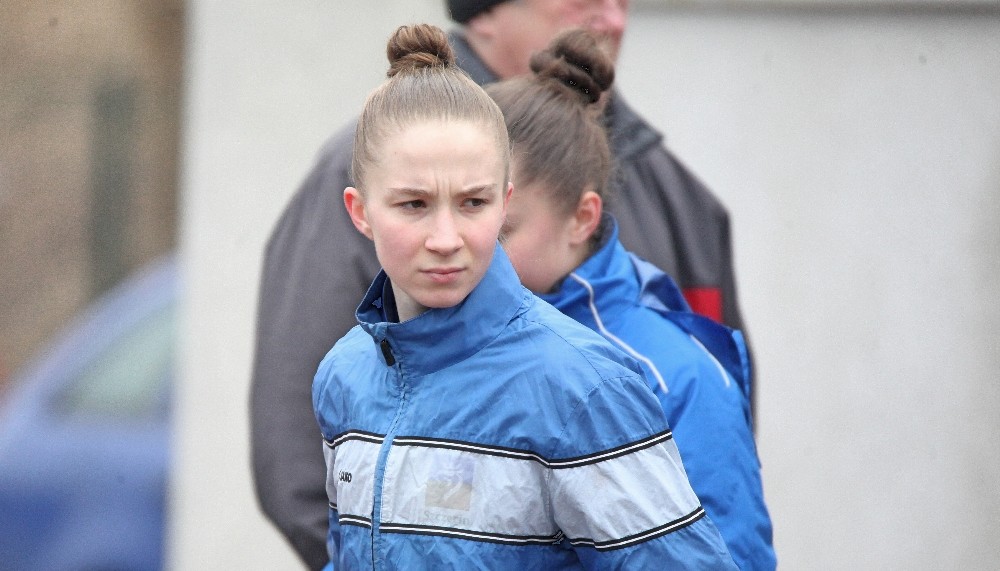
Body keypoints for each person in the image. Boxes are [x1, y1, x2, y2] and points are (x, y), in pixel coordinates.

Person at [251, 2, 749, 568]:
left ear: (504, 202)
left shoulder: (584, 389)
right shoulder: (344, 375)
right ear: (359, 212)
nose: (446, 238)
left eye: (473, 203)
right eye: (414, 204)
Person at [484, 28, 776, 570]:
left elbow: (726, 553)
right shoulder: (429, 346)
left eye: (502, 230)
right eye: (463, 213)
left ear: (582, 218)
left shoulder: (674, 377)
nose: (466, 246)